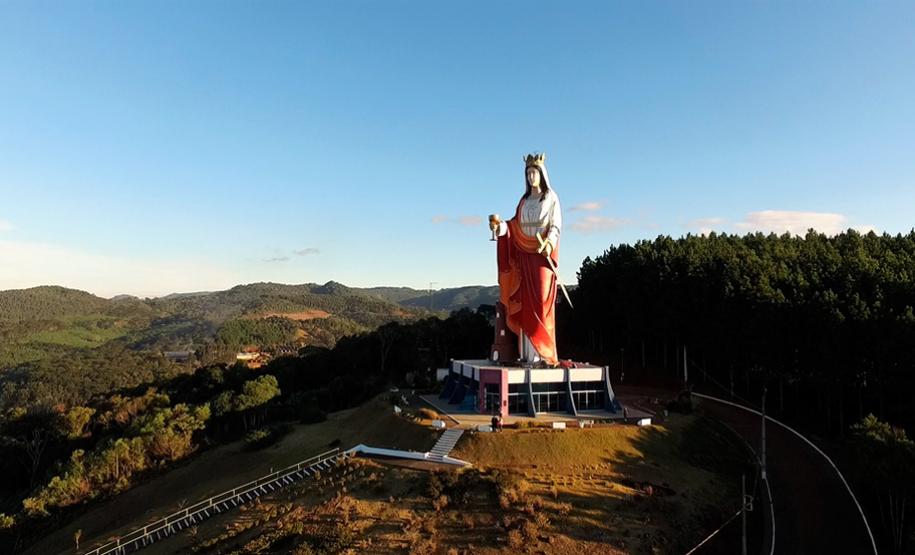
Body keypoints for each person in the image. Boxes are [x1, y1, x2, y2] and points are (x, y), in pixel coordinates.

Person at [489, 152, 562, 366]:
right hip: (523, 254)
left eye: (534, 173)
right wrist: (499, 227)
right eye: (528, 173)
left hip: (541, 256)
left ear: (542, 174)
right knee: (525, 304)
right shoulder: (524, 201)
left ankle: (543, 354)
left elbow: (556, 225)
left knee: (540, 302)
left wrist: (549, 242)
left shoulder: (551, 198)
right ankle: (527, 355)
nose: (531, 177)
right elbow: (514, 226)